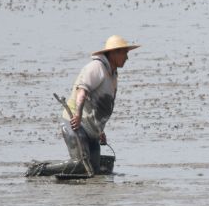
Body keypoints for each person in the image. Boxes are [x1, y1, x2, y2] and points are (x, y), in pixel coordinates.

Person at [26, 35, 140, 178]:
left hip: (91, 130)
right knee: (80, 164)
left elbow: (99, 107)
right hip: (75, 124)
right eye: (125, 53)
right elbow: (81, 92)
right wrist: (78, 115)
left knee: (94, 169)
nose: (127, 58)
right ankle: (40, 169)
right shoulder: (96, 68)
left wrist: (100, 131)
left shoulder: (113, 74)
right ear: (114, 53)